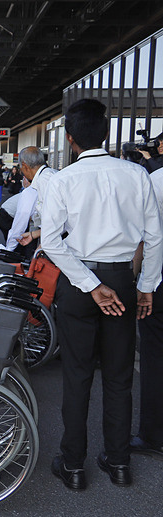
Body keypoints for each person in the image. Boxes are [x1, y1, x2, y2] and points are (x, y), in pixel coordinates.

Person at [41, 98, 163, 491]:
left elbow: (51, 244)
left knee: (76, 376)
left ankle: (73, 466)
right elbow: (155, 237)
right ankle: (119, 462)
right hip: (124, 283)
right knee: (119, 376)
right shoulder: (137, 174)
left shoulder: (63, 179)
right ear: (107, 133)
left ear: (72, 140)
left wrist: (92, 286)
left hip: (80, 286)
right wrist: (146, 287)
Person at [132, 163, 163, 461]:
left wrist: (142, 284)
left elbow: (148, 238)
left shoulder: (156, 181)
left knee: (155, 359)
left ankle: (154, 435)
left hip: (160, 282)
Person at [15, 146, 57, 248]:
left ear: (24, 166)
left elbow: (56, 221)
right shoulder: (51, 174)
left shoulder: (43, 181)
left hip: (56, 241)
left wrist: (43, 245)